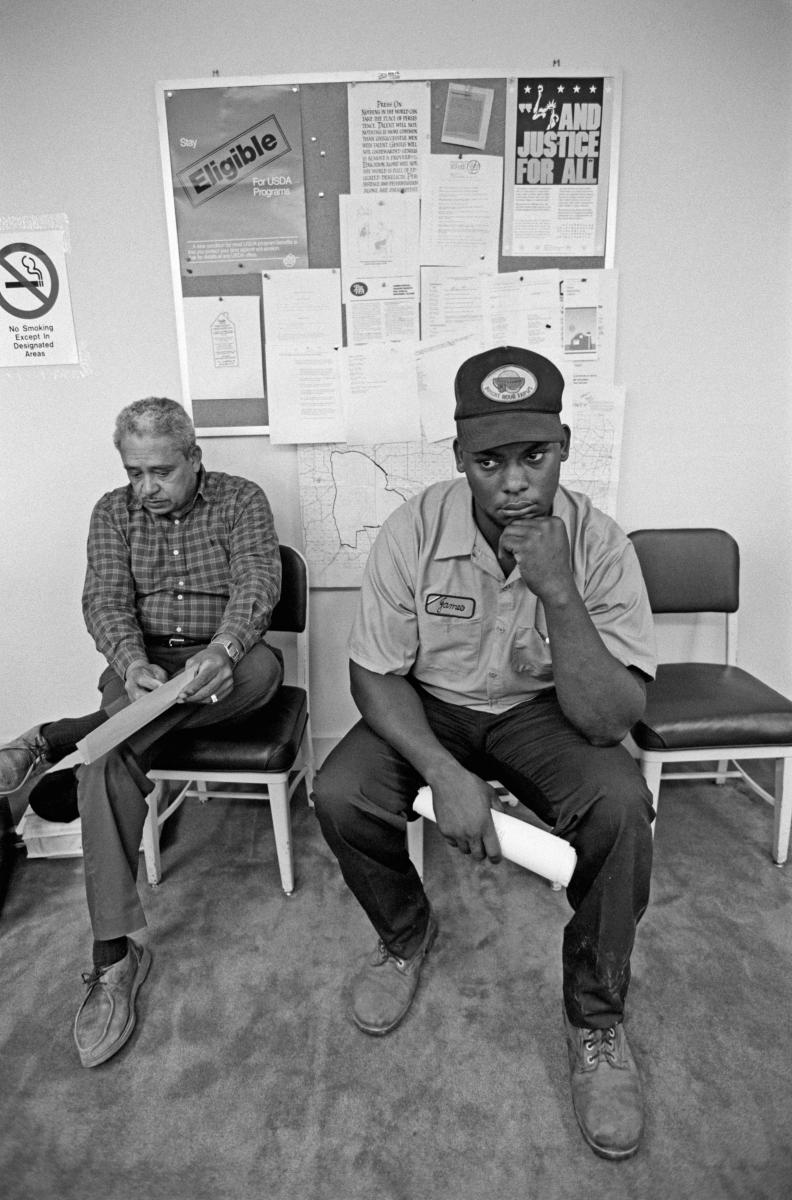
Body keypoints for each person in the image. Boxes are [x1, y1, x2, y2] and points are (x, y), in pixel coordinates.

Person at [313, 347, 657, 1161]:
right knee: (340, 792)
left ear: (565, 445)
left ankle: (597, 1020)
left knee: (620, 808)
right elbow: (372, 675)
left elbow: (610, 719)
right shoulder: (414, 528)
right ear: (459, 459)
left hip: (544, 714)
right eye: (489, 461)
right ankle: (405, 935)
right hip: (432, 705)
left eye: (533, 456)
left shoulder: (601, 545)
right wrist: (445, 772)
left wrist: (559, 590)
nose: (513, 482)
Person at [0, 397, 283, 1067]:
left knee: (261, 671)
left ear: (194, 459)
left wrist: (225, 647)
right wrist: (130, 664)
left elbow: (258, 582)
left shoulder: (242, 500)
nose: (146, 487)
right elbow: (104, 601)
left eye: (160, 471)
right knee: (107, 766)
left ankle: (61, 735)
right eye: (135, 472)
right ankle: (114, 958)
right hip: (145, 667)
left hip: (228, 664)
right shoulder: (112, 512)